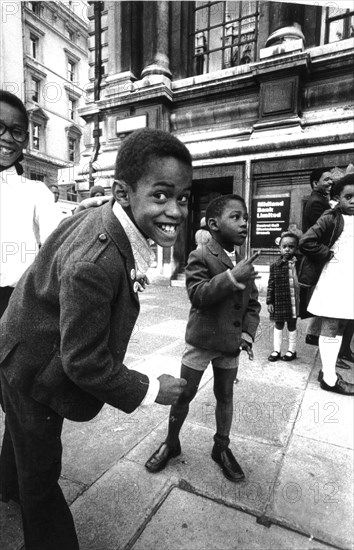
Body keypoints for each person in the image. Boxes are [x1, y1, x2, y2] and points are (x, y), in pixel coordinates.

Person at [0, 127, 192, 549]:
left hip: (19, 343)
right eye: (160, 196)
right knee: (41, 474)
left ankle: (7, 489)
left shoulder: (108, 217)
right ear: (123, 193)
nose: (176, 210)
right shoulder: (97, 261)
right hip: (29, 363)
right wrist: (149, 389)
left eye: (182, 197)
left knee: (19, 434)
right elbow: (83, 362)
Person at [145, 194, 261, 482]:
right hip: (202, 342)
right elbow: (198, 295)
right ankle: (171, 444)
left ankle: (221, 447)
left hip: (230, 344)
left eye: (245, 217)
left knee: (225, 395)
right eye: (236, 217)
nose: (244, 222)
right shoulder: (200, 255)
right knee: (184, 393)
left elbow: (253, 303)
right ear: (214, 224)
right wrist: (233, 277)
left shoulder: (243, 260)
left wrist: (247, 332)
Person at [0, 90, 61, 316]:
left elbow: (55, 248)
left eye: (16, 132)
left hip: (17, 304)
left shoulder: (36, 192)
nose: (7, 138)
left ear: (25, 139)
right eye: (0, 127)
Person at [299, 173, 354, 395]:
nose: (353, 201)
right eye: (348, 197)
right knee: (331, 324)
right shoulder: (331, 217)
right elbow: (306, 241)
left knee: (340, 324)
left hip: (348, 278)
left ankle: (328, 370)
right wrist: (327, 254)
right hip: (334, 278)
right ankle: (329, 378)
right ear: (337, 199)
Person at [302, 168, 333, 346]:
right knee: (322, 295)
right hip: (320, 256)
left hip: (321, 255)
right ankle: (314, 333)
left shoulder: (321, 200)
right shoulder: (316, 202)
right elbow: (320, 232)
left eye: (331, 179)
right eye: (326, 179)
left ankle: (313, 333)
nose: (330, 182)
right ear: (315, 184)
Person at [266, 232, 301, 362]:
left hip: (293, 301)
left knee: (292, 325)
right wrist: (270, 301)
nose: (287, 249)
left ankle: (292, 350)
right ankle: (276, 350)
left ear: (296, 248)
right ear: (279, 248)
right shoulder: (275, 266)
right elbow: (271, 284)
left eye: (291, 246)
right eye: (284, 246)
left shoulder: (299, 264)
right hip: (280, 300)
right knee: (278, 324)